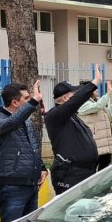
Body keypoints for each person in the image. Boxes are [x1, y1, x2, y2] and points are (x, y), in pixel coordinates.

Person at [0, 81, 48, 222]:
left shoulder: (26, 122)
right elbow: (11, 123)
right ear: (15, 102)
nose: (30, 101)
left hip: (31, 184)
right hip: (12, 186)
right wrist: (34, 101)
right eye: (26, 98)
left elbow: (31, 147)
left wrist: (42, 168)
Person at [45, 65, 102, 194]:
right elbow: (75, 102)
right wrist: (94, 83)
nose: (80, 97)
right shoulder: (54, 116)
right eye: (75, 94)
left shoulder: (73, 116)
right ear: (65, 98)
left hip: (85, 173)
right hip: (70, 175)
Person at [78, 81, 112, 171]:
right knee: (93, 171)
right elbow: (97, 106)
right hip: (94, 145)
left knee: (104, 168)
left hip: (104, 144)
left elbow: (111, 115)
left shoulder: (98, 102)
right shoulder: (82, 104)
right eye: (94, 88)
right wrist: (108, 94)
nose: (97, 90)